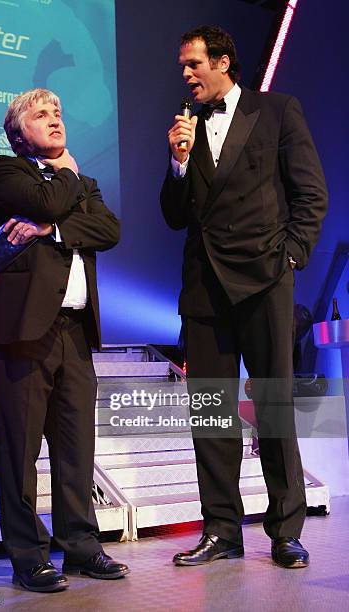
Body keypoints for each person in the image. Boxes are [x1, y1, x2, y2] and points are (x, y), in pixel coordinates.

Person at [160, 26, 327, 569]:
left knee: (274, 409)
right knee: (210, 415)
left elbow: (310, 192)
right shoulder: (185, 126)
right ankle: (221, 530)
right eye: (183, 66)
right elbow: (173, 214)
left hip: (264, 282)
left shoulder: (276, 110)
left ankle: (285, 531)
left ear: (223, 62)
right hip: (204, 289)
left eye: (193, 64)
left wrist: (292, 256)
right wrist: (178, 162)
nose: (185, 75)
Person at [0, 88, 129, 592]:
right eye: (41, 115)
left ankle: (82, 549)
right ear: (19, 134)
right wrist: (63, 184)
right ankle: (28, 557)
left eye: (58, 112)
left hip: (75, 333)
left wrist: (51, 229)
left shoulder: (81, 182)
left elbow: (108, 229)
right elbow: (48, 199)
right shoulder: (3, 172)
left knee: (75, 450)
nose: (55, 120)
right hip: (21, 333)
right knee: (20, 451)